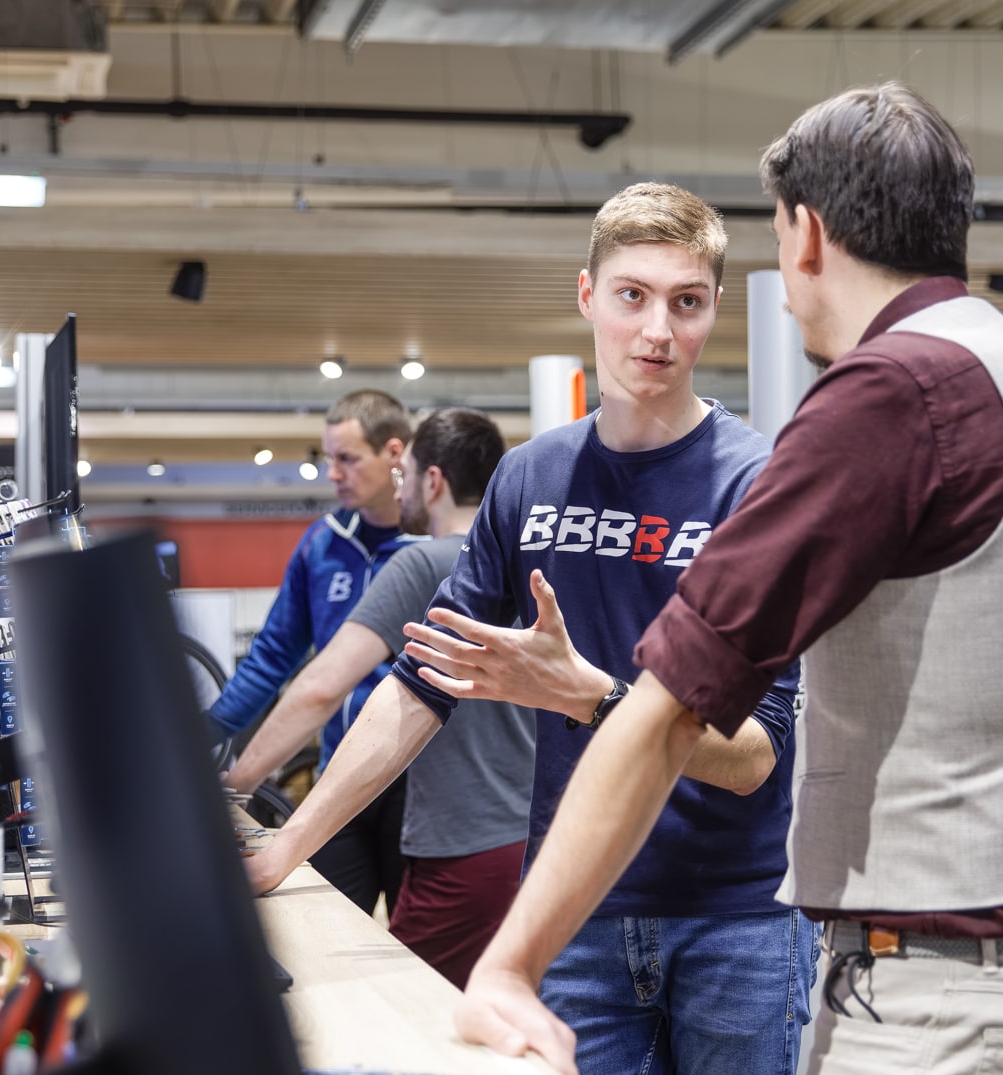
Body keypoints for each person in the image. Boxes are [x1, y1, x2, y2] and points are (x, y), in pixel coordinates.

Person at [451, 83, 1003, 1075]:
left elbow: (670, 712)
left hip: (935, 1009)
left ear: (807, 235)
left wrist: (510, 964)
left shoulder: (885, 397)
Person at [247, 183, 815, 1075]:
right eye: (632, 295)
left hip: (734, 919)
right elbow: (420, 685)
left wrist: (592, 697)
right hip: (576, 911)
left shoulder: (755, 483)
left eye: (686, 302)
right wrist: (285, 846)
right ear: (587, 295)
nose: (657, 331)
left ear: (714, 308)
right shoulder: (531, 478)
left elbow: (754, 757)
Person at [224, 407, 535, 988]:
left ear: (433, 481)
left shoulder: (422, 562)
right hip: (524, 839)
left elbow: (321, 686)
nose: (401, 488)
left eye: (406, 474)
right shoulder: (525, 563)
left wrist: (235, 784)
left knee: (406, 1006)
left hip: (458, 845)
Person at [207, 388, 420, 917]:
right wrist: (205, 735)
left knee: (416, 947)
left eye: (347, 458)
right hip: (338, 773)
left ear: (394, 453)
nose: (333, 473)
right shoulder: (321, 545)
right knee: (320, 922)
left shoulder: (437, 546)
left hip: (420, 786)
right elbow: (271, 657)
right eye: (329, 458)